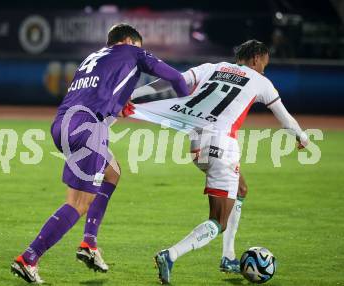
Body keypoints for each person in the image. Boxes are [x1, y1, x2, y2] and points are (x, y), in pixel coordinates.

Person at [10, 23, 189, 284]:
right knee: (78, 204)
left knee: (112, 171)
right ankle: (29, 258)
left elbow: (100, 94)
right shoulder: (133, 52)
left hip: (63, 123)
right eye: (138, 46)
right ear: (129, 41)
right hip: (88, 128)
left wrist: (119, 105)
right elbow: (177, 78)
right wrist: (188, 111)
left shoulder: (92, 59)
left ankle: (89, 243)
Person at [126, 39, 308, 284]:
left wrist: (133, 95)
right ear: (256, 59)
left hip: (197, 145)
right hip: (223, 146)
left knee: (241, 189)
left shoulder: (212, 67)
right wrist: (303, 137)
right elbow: (285, 118)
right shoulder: (261, 82)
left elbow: (171, 81)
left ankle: (228, 257)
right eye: (265, 63)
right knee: (218, 222)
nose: (264, 68)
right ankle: (170, 254)